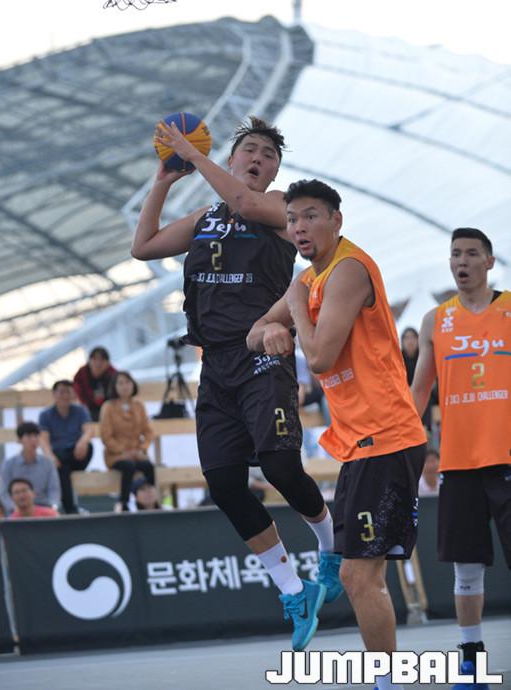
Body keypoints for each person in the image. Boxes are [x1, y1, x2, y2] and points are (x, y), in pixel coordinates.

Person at [131, 117, 342, 651]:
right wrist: (164, 178)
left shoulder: (279, 208)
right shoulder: (205, 217)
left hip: (262, 351)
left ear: (274, 171)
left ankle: (330, 546)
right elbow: (143, 246)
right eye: (250, 149)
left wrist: (191, 154)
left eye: (268, 154)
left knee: (280, 467)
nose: (258, 158)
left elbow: (246, 204)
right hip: (216, 365)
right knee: (224, 484)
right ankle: (294, 592)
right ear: (231, 159)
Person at [247, 179, 426, 690]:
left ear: (336, 220)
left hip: (386, 437)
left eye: (310, 216)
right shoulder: (309, 280)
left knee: (358, 577)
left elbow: (321, 357)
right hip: (361, 444)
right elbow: (253, 333)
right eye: (292, 219)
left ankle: (389, 683)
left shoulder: (346, 270)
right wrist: (273, 328)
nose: (299, 227)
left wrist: (294, 309)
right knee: (362, 577)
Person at [411, 227, 511, 689]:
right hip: (458, 462)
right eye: (456, 254)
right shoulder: (436, 320)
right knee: (465, 568)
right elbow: (419, 392)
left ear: (489, 262)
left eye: (472, 253)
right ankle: (471, 659)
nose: (462, 261)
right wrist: (398, 442)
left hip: (506, 457)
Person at [99, 371, 156, 512]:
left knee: (148, 466)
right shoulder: (108, 407)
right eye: (121, 383)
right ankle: (123, 503)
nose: (125, 386)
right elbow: (106, 436)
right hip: (116, 455)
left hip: (137, 453)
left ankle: (150, 502)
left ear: (133, 384)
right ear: (115, 386)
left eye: (128, 382)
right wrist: (123, 451)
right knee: (128, 466)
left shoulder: (139, 406)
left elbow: (148, 432)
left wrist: (143, 448)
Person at [39, 380, 94, 514]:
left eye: (68, 392)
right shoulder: (45, 414)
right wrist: (50, 456)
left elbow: (89, 430)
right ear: (54, 394)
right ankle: (70, 508)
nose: (65, 396)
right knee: (62, 468)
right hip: (59, 457)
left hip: (77, 454)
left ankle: (70, 508)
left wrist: (82, 442)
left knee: (87, 448)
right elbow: (43, 439)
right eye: (61, 392)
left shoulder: (81, 410)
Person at [0, 421, 60, 514]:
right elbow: (4, 492)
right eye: (29, 436)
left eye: (36, 436)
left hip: (44, 508)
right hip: (19, 509)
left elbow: (54, 490)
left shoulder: (48, 463)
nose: (33, 440)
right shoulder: (8, 464)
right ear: (19, 440)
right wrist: (14, 509)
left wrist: (53, 507)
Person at [400, 327, 434, 430]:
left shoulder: (425, 357)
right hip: (404, 401)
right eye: (406, 338)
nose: (410, 341)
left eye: (413, 337)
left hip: (425, 400)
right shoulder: (397, 360)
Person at [73, 346, 117, 421]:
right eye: (94, 359)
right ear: (89, 361)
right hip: (88, 409)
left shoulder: (114, 374)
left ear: (108, 363)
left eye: (102, 360)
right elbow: (77, 391)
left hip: (111, 409)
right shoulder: (81, 374)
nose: (98, 364)